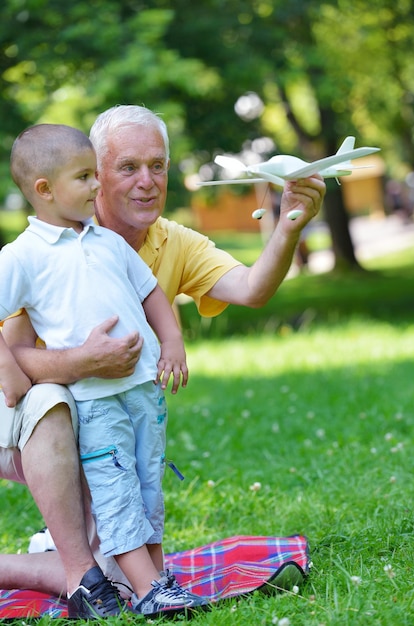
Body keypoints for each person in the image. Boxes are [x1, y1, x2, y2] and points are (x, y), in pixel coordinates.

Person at [0, 104, 325, 607]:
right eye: (127, 167)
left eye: (158, 166)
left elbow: (251, 288)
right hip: (32, 422)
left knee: (126, 568)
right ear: (95, 175)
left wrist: (288, 227)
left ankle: (86, 557)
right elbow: (16, 363)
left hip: (107, 417)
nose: (147, 181)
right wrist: (84, 362)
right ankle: (72, 565)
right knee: (54, 403)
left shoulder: (157, 242)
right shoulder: (37, 254)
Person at [0, 123, 209, 618]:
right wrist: (8, 369)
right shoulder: (21, 256)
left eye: (96, 174)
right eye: (85, 177)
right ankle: (151, 590)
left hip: (143, 390)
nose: (98, 187)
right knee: (115, 486)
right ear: (45, 190)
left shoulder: (109, 243)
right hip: (94, 398)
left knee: (147, 483)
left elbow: (150, 293)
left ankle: (152, 581)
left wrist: (173, 341)